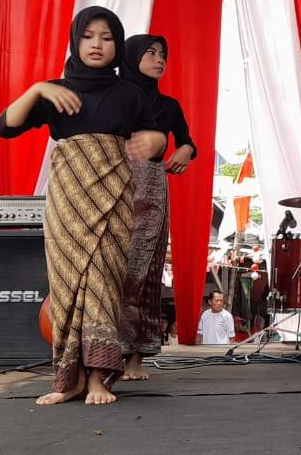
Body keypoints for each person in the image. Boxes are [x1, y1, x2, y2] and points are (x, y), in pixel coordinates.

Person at [0, 6, 166, 406]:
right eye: (88, 36)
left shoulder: (129, 93)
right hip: (67, 201)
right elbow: (4, 127)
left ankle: (98, 380)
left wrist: (155, 142)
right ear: (75, 40)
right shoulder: (56, 91)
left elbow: (156, 140)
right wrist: (37, 89)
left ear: (117, 44)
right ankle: (70, 380)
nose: (97, 45)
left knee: (105, 283)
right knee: (68, 286)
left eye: (107, 38)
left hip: (114, 200)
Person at [117, 34, 196, 382]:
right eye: (150, 53)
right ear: (131, 57)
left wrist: (186, 150)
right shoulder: (113, 97)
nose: (160, 60)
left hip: (151, 190)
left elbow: (187, 141)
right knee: (111, 270)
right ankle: (102, 354)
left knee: (146, 273)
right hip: (113, 187)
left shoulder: (169, 106)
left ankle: (136, 357)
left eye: (163, 54)